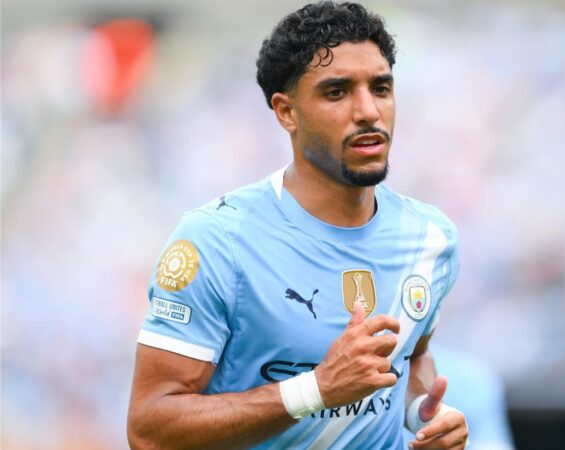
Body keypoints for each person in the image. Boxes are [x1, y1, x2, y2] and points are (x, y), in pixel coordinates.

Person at [127, 2, 468, 449]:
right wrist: (315, 390)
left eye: (381, 88)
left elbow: (412, 357)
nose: (368, 111)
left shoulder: (432, 239)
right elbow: (149, 430)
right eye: (337, 92)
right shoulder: (217, 242)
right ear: (286, 112)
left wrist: (422, 412)